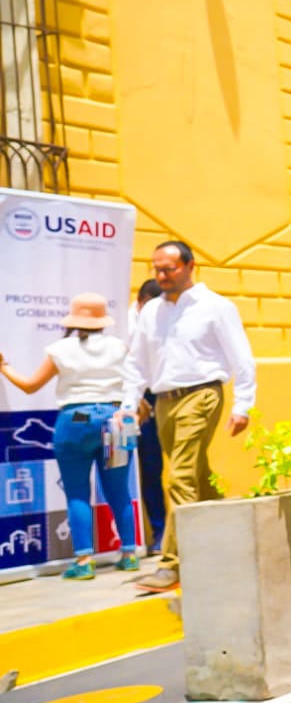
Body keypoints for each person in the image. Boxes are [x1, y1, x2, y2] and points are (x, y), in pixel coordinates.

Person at [119, 241, 256, 594]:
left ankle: (172, 565)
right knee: (197, 475)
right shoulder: (151, 312)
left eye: (169, 269)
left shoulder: (215, 306)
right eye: (157, 269)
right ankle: (230, 542)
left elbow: (241, 357)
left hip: (202, 394)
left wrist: (243, 405)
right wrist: (129, 402)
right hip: (165, 400)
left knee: (178, 477)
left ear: (190, 265)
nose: (161, 275)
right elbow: (136, 362)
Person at [1, 294, 141, 579]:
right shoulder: (119, 347)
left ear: (74, 320)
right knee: (119, 491)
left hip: (77, 417)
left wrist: (4, 367)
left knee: (77, 492)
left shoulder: (60, 349)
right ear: (103, 320)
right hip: (114, 418)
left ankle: (84, 560)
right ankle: (129, 553)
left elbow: (29, 386)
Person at [132, 278, 166, 554]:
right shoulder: (125, 325)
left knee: (154, 467)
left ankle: (161, 533)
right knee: (138, 469)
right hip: (130, 402)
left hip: (158, 396)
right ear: (140, 301)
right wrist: (136, 399)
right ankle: (149, 534)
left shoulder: (165, 317)